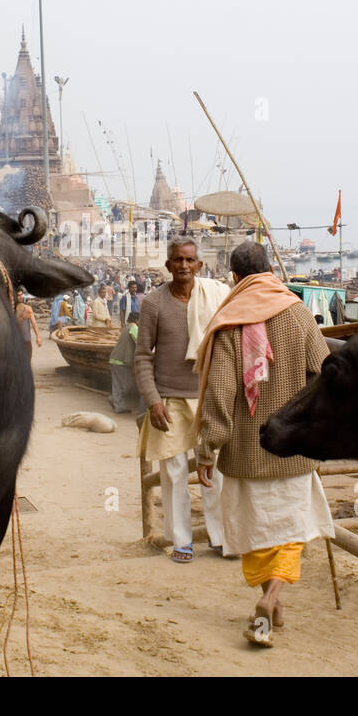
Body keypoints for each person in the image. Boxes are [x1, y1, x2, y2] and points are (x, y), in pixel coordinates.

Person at [195, 240, 335, 647]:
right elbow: (324, 373)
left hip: (245, 451)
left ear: (234, 277)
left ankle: (267, 607)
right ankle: (274, 600)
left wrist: (207, 448)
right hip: (293, 448)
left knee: (255, 535)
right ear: (270, 269)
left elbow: (219, 393)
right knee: (291, 531)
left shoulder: (229, 320)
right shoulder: (297, 312)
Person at [134, 237, 225, 564]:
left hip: (208, 396)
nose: (184, 266)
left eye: (190, 260)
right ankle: (182, 541)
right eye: (177, 260)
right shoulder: (154, 303)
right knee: (173, 474)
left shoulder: (214, 296)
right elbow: (143, 356)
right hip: (169, 399)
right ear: (168, 265)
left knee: (214, 470)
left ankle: (220, 537)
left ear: (199, 265)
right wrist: (152, 400)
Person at [108, 311, 141, 414]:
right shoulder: (134, 328)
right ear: (137, 320)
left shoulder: (126, 327)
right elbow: (140, 342)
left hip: (114, 358)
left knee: (117, 384)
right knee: (127, 384)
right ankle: (114, 399)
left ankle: (118, 406)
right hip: (120, 360)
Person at [16, 288, 42, 357]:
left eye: (21, 295)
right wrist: (23, 317)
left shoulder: (28, 308)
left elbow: (34, 323)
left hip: (26, 340)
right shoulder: (11, 308)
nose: (20, 297)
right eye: (18, 295)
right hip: (15, 340)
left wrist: (38, 337)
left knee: (28, 360)